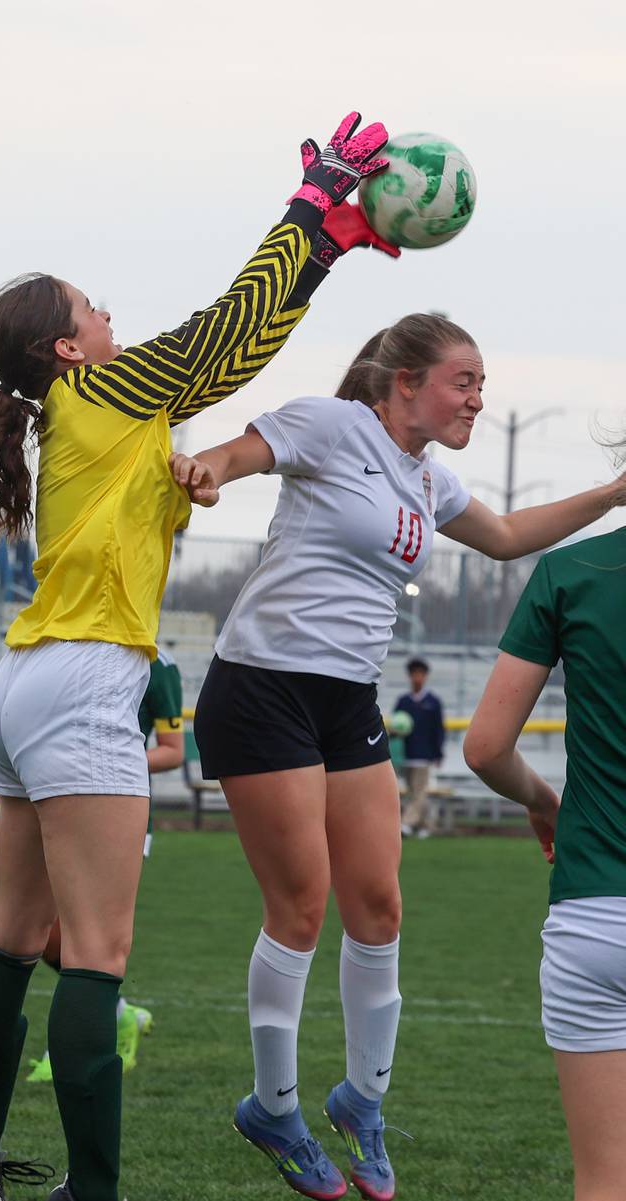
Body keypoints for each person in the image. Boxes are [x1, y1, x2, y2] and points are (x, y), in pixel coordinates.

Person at [0, 109, 395, 1201]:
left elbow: (233, 342)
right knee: (93, 952)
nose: (110, 316)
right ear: (66, 347)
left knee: (16, 933)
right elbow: (226, 332)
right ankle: (91, 1192)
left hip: (27, 680)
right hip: (86, 676)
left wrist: (320, 247)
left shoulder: (84, 410)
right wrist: (306, 212)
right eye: (94, 309)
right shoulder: (103, 389)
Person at [169, 314, 626, 1201]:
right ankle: (273, 1105)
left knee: (378, 902)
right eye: (465, 380)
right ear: (406, 379)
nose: (479, 399)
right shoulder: (335, 425)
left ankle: (361, 1099)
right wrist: (205, 473)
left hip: (345, 698)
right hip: (261, 684)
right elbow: (237, 454)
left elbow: (506, 535)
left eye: (482, 383)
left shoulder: (427, 476)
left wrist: (611, 495)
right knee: (301, 907)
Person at [463, 526, 626, 1201]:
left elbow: (485, 748)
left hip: (594, 912)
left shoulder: (572, 569)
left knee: (604, 1182)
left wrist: (543, 801)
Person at [19, 645, 185, 1082]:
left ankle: (69, 1048)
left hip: (114, 809)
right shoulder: (68, 649)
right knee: (42, 935)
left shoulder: (158, 664)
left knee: (82, 934)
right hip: (58, 795)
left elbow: (173, 750)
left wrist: (106, 760)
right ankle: (119, 1014)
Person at [394, 657, 445, 838]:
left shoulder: (433, 702)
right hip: (406, 755)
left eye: (420, 674)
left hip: (424, 756)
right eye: (414, 674)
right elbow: (395, 729)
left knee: (419, 792)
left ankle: (406, 824)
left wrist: (438, 754)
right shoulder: (403, 702)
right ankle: (426, 826)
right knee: (414, 793)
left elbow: (438, 729)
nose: (417, 677)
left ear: (425, 676)